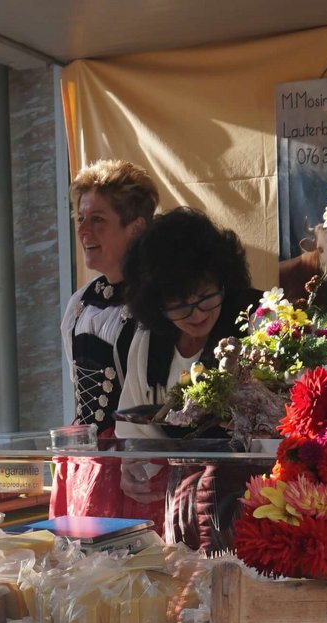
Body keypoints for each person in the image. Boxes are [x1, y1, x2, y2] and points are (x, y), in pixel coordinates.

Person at [115, 208, 258, 551]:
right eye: (179, 304)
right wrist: (134, 467)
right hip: (183, 510)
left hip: (257, 507)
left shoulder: (258, 323)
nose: (197, 314)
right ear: (155, 303)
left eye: (206, 295)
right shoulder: (147, 340)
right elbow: (137, 433)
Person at [50, 158, 160, 525]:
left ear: (136, 227)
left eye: (98, 220)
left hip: (135, 460)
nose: (84, 231)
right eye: (80, 219)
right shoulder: (80, 302)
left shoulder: (158, 304)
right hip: (83, 457)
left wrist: (138, 459)